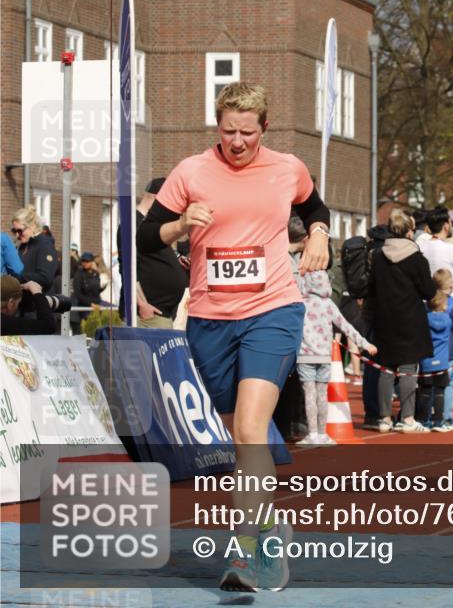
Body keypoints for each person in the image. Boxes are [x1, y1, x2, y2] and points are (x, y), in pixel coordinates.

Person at [136, 82, 329, 593]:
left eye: (247, 132)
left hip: (273, 310)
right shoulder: (191, 172)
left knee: (249, 429)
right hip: (210, 317)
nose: (237, 142)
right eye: (228, 132)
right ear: (217, 127)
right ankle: (270, 528)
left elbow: (316, 209)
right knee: (235, 431)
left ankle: (248, 552)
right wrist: (180, 225)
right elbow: (144, 237)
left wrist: (319, 235)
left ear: (264, 127)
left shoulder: (287, 168)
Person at [365, 208, 437, 433]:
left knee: (386, 368)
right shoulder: (417, 258)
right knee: (408, 368)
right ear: (409, 232)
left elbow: (372, 288)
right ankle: (408, 418)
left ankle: (384, 418)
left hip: (385, 317)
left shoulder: (378, 256)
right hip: (410, 317)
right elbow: (428, 291)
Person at [295, 264, 375, 447]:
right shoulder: (328, 304)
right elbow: (346, 326)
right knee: (322, 395)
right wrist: (365, 344)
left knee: (309, 395)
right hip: (325, 356)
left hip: (305, 356)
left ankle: (312, 434)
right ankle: (323, 433)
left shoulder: (300, 304)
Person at [117, 178, 189, 328]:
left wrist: (176, 261)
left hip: (160, 313)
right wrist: (142, 304)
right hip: (147, 314)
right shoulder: (132, 224)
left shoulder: (152, 226)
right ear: (158, 199)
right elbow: (128, 268)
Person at [416, 268, 453, 432]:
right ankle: (445, 417)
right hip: (450, 351)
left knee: (426, 386)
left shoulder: (428, 305)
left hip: (429, 352)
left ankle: (426, 417)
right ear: (451, 286)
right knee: (447, 385)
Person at [0, 275, 70, 334]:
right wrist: (37, 292)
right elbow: (49, 326)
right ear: (10, 303)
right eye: (17, 304)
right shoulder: (5, 324)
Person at [10, 205, 59, 291]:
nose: (17, 235)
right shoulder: (23, 245)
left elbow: (45, 277)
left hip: (39, 297)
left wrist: (16, 278)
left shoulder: (45, 245)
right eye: (14, 231)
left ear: (32, 226)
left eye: (20, 230)